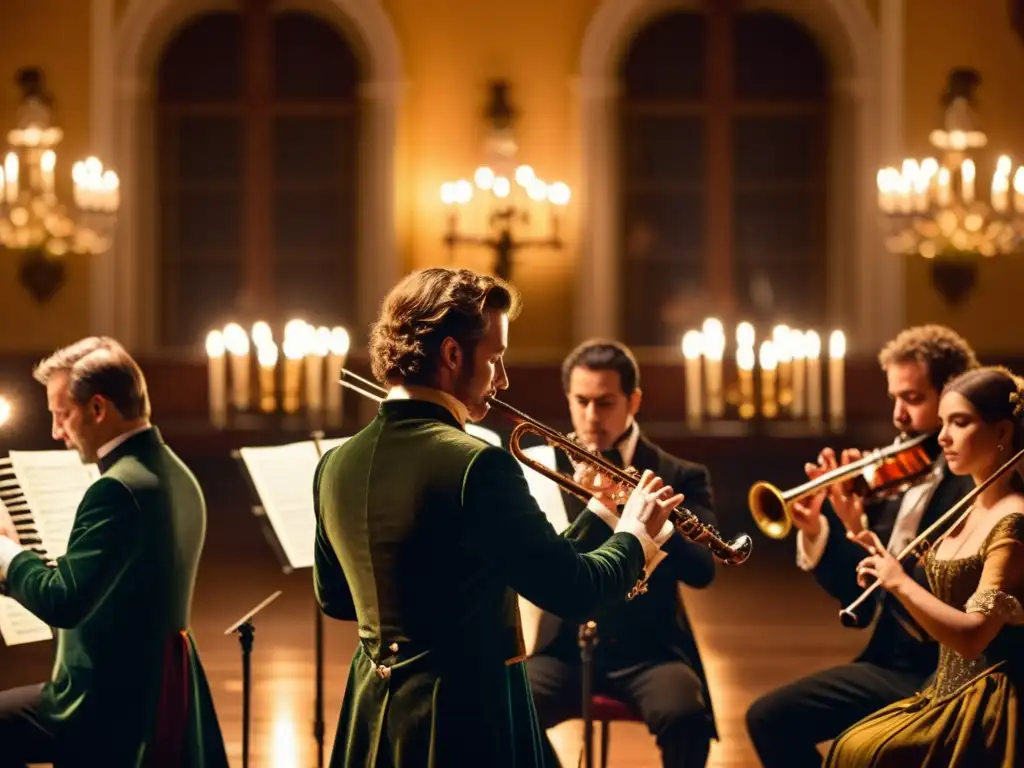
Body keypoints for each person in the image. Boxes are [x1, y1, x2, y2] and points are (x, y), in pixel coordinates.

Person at [313, 268, 685, 768]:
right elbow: (575, 591)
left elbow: (336, 599)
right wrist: (636, 533)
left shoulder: (333, 463)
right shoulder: (477, 463)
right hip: (465, 717)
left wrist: (598, 509)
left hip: (371, 709)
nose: (503, 378)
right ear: (451, 355)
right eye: (495, 358)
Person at [745, 324, 980, 767]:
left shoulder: (972, 485)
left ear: (951, 396)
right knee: (769, 718)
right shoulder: (895, 479)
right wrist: (830, 528)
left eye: (912, 399)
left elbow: (949, 590)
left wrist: (884, 559)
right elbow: (861, 606)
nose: (898, 416)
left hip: (943, 669)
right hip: (889, 660)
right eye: (894, 398)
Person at [0, 337, 228, 767]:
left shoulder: (117, 488)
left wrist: (5, 552)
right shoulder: (175, 472)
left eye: (61, 414)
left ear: (98, 409)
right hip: (157, 689)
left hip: (106, 700)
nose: (55, 431)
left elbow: (63, 602)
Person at [525, 339, 718, 767]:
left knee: (686, 715)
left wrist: (638, 510)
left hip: (649, 650)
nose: (591, 416)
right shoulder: (543, 467)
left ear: (634, 401)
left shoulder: (680, 474)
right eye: (582, 401)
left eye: (605, 402)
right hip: (564, 649)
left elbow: (703, 571)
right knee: (505, 705)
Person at [826, 365, 1024, 766]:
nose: (943, 437)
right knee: (851, 744)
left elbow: (972, 638)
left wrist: (899, 583)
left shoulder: (1013, 521)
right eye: (942, 423)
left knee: (862, 752)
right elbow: (939, 593)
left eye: (960, 422)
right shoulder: (966, 506)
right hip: (942, 689)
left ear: (1002, 433)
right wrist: (877, 553)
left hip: (987, 701)